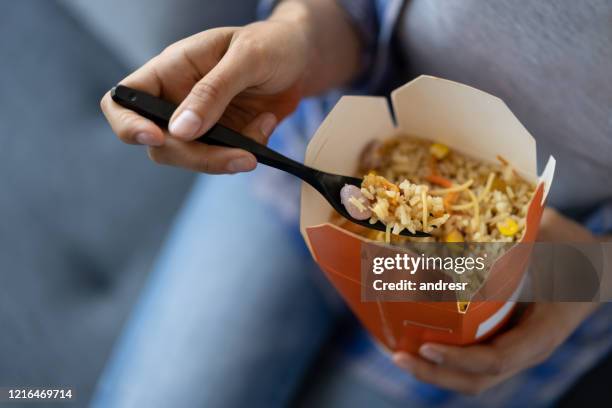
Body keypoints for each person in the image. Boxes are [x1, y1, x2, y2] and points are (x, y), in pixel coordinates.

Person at [94, 0, 612, 406]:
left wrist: (589, 273)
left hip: (541, 276)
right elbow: (351, 10)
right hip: (304, 159)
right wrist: (295, 36)